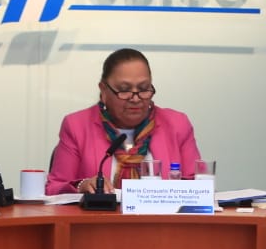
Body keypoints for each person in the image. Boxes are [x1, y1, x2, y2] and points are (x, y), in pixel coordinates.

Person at [46, 48, 201, 194]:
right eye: (125, 90)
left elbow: (198, 186)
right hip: (98, 221)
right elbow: (54, 188)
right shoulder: (77, 126)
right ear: (104, 91)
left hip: (162, 221)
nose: (135, 98)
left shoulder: (177, 124)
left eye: (143, 88)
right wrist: (82, 186)